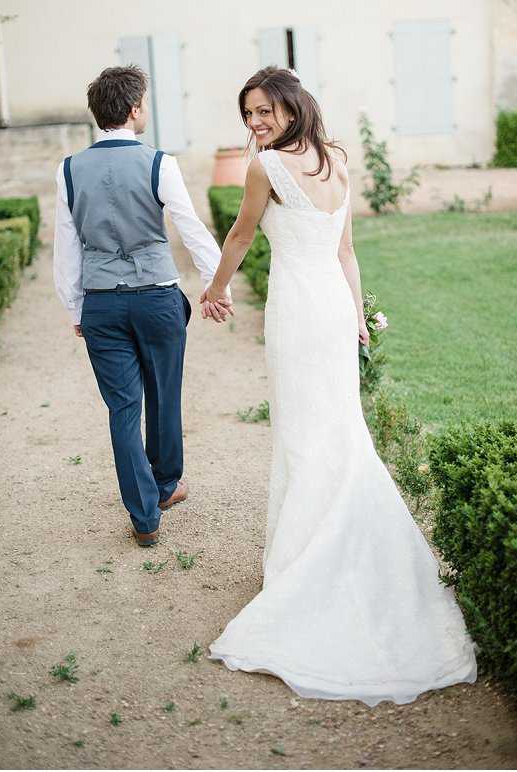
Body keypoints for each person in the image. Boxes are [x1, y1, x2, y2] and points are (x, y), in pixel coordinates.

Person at [201, 66, 478, 705]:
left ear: (293, 107)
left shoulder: (265, 169)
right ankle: (336, 542)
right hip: (325, 304)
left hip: (301, 309)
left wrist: (214, 290)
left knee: (306, 434)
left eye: (264, 111)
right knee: (336, 429)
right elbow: (345, 254)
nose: (254, 124)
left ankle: (307, 560)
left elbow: (243, 236)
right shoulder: (337, 161)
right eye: (247, 115)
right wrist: (353, 314)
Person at [53, 64, 232, 547]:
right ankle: (167, 485)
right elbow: (190, 227)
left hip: (102, 303)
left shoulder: (68, 170)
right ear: (134, 110)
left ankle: (144, 516)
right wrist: (219, 286)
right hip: (156, 297)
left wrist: (75, 310)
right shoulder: (160, 163)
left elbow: (65, 247)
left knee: (123, 408)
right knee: (164, 393)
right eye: (145, 103)